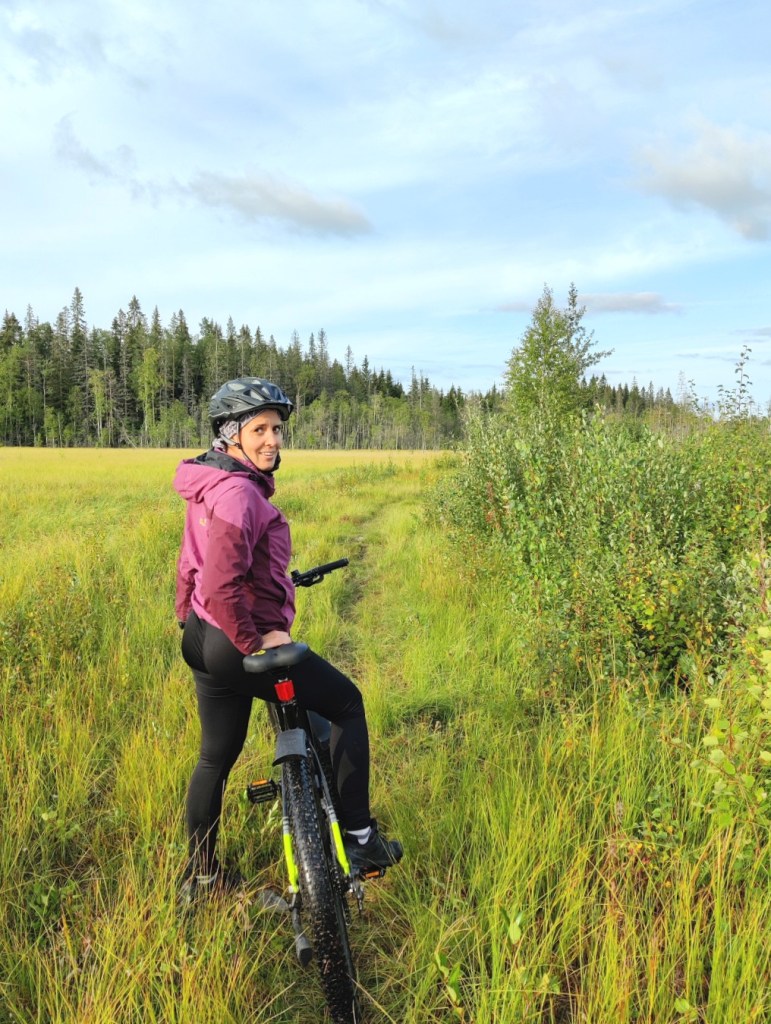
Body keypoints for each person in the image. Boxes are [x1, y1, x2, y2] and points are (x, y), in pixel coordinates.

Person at [174, 376, 402, 900]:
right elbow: (222, 582)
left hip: (201, 637)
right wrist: (254, 639)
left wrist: (189, 617)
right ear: (231, 435)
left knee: (215, 757)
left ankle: (203, 879)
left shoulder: (208, 482)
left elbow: (193, 564)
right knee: (346, 704)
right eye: (260, 429)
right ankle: (362, 839)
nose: (273, 440)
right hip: (235, 642)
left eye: (277, 428)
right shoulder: (239, 495)